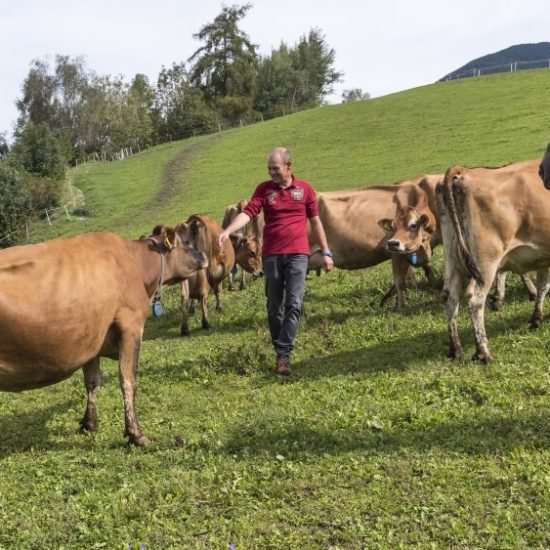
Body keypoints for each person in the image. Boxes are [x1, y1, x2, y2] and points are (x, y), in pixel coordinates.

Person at [218, 147, 334, 375]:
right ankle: (281, 349)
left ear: (289, 167)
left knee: (294, 303)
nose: (271, 172)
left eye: (275, 168)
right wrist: (227, 230)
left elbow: (316, 222)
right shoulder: (264, 189)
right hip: (271, 255)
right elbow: (249, 212)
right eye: (269, 169)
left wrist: (326, 251)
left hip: (298, 254)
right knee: (274, 306)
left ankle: (283, 354)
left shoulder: (305, 189)